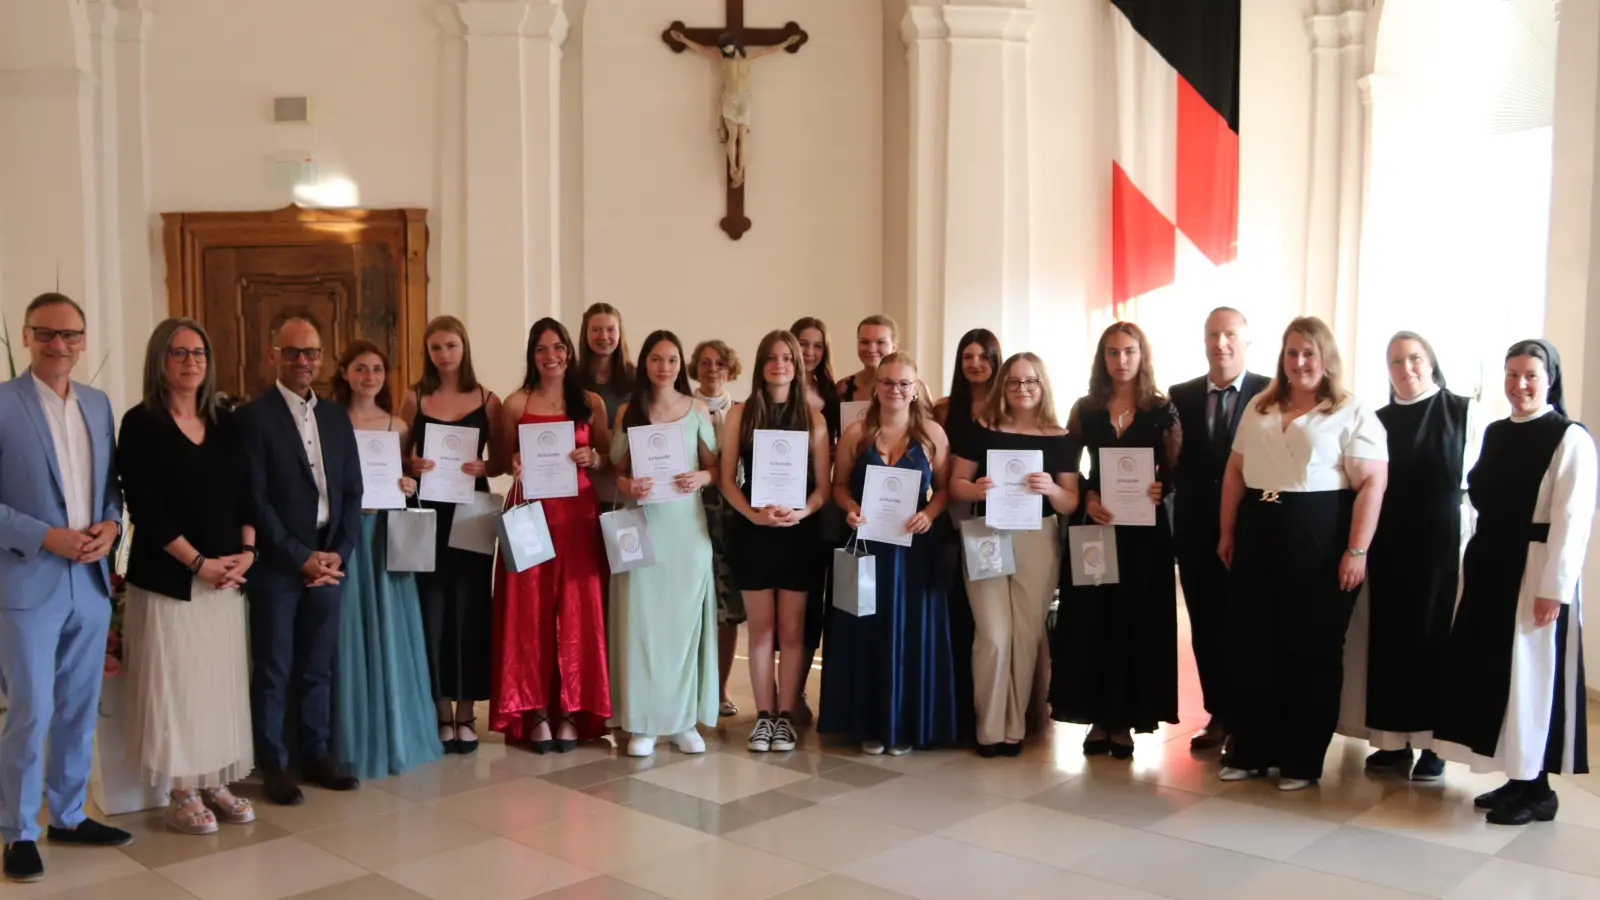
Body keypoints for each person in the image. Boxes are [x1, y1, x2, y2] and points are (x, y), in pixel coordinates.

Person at [1218, 316, 1387, 792]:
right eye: (1292, 352)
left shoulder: (1351, 410)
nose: (1300, 362)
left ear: (1325, 357)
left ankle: (1301, 757)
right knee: (1254, 643)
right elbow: (1235, 471)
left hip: (1320, 534)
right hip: (1259, 529)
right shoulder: (1261, 404)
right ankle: (1252, 748)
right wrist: (1227, 531)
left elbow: (1374, 482)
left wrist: (1357, 549)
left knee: (1310, 649)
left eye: (1309, 353)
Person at [1434, 339, 1595, 825]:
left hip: (1534, 570)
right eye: (1511, 375)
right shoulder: (1499, 432)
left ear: (1550, 379)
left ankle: (1539, 791)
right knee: (1496, 675)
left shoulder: (1570, 438)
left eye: (1530, 375)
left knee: (1531, 678)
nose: (1519, 385)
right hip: (1491, 566)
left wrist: (1556, 587)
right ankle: (1517, 778)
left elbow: (1573, 518)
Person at [0, 293, 131, 883]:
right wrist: (42, 536)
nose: (60, 345)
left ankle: (70, 815)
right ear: (27, 336)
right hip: (28, 578)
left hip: (91, 577)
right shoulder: (2, 405)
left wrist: (112, 523)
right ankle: (19, 830)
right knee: (31, 708)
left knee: (79, 707)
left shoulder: (100, 405)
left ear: (83, 340)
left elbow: (111, 487)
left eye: (71, 336)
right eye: (47, 334)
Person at [117, 318, 256, 834]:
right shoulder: (141, 423)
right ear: (160, 360)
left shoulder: (226, 420)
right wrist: (197, 562)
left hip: (226, 577)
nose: (190, 361)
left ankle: (214, 778)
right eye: (178, 353)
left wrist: (246, 552)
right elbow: (146, 509)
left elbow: (248, 494)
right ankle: (180, 788)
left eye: (198, 352)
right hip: (172, 579)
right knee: (176, 685)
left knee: (216, 685)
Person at [1338, 332, 1485, 782]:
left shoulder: (1462, 411)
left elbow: (1476, 486)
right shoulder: (1376, 419)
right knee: (1389, 640)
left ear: (1431, 361)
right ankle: (1391, 742)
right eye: (1397, 362)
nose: (1407, 369)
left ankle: (1432, 747)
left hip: (1441, 543)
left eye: (1415, 359)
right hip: (1389, 542)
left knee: (1433, 641)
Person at [237, 315, 364, 806]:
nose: (304, 361)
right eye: (293, 352)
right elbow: (255, 500)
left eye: (311, 352)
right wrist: (299, 557)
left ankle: (316, 753)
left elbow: (352, 492)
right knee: (274, 666)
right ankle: (275, 764)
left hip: (329, 557)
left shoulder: (335, 415)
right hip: (277, 563)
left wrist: (339, 553)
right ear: (274, 355)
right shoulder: (252, 418)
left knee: (318, 663)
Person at [819, 352, 959, 755]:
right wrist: (850, 508)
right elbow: (840, 485)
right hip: (867, 545)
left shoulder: (933, 434)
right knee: (867, 632)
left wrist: (930, 514)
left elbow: (947, 488)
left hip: (915, 549)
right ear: (875, 386)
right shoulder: (856, 434)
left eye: (903, 383)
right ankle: (868, 724)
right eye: (887, 382)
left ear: (914, 389)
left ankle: (905, 723)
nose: (895, 390)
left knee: (911, 632)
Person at [1052, 323, 1181, 759]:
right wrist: (1087, 492)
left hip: (1145, 537)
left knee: (1136, 621)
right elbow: (1067, 466)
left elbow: (1177, 469)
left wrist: (1164, 488)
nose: (1121, 360)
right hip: (1096, 527)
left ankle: (1124, 722)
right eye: (1112, 352)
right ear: (1102, 358)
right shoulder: (1085, 409)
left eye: (1129, 352)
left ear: (1142, 356)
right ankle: (1096, 717)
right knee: (1094, 619)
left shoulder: (1163, 411)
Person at [949, 353, 1079, 757]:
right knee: (993, 635)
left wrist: (1051, 490)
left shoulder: (1060, 438)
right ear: (1003, 386)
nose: (1023, 389)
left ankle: (1013, 727)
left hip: (1037, 539)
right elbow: (955, 484)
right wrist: (976, 490)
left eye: (1031, 382)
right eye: (1014, 382)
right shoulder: (981, 431)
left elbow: (1071, 502)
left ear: (1042, 387)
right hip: (987, 534)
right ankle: (988, 728)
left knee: (1025, 636)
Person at [492, 320, 612, 753]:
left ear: (569, 352)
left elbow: (605, 458)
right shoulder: (513, 403)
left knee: (579, 614)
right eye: (542, 349)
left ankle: (575, 709)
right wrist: (515, 464)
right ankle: (537, 710)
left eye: (558, 347)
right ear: (532, 354)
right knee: (530, 614)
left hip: (579, 517)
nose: (551, 356)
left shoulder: (590, 402)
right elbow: (502, 460)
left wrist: (593, 455)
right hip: (530, 516)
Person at [330, 340, 442, 779]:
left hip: (384, 533)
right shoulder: (329, 420)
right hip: (346, 532)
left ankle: (398, 731)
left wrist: (405, 484)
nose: (370, 376)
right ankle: (349, 737)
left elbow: (404, 474)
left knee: (392, 626)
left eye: (377, 369)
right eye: (361, 368)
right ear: (344, 372)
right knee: (348, 629)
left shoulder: (397, 425)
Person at [608, 331, 721, 757]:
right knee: (642, 624)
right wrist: (628, 483)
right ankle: (644, 722)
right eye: (656, 359)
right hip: (643, 527)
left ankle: (682, 721)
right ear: (645, 364)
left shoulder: (696, 410)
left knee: (683, 625)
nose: (664, 367)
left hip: (686, 530)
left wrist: (702, 478)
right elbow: (615, 469)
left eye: (672, 359)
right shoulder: (629, 411)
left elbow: (719, 468)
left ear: (681, 365)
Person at [718, 331, 831, 752]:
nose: (779, 364)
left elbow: (823, 487)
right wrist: (753, 514)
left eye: (787, 358)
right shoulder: (741, 414)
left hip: (799, 534)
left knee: (792, 632)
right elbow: (728, 479)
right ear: (760, 363)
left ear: (797, 366)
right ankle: (764, 717)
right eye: (771, 357)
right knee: (761, 632)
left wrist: (800, 512)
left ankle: (786, 716)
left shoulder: (813, 418)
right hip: (755, 531)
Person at [397, 316, 502, 755]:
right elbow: (396, 456)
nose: (444, 354)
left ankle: (467, 712)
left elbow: (501, 460)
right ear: (428, 352)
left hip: (472, 511)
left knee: (472, 608)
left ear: (464, 348)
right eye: (436, 347)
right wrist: (411, 466)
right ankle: (440, 710)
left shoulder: (488, 399)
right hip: (427, 512)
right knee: (432, 607)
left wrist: (486, 467)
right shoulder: (413, 397)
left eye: (451, 346)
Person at [1167, 307, 1269, 752]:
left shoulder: (1270, 392)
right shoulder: (1181, 394)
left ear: (1247, 341)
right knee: (1206, 625)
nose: (1220, 343)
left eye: (1229, 334)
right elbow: (1172, 462)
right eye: (1213, 334)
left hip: (1254, 529)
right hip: (1195, 530)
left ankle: (1251, 716)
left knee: (1248, 625)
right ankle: (1219, 715)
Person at [690, 338, 746, 718]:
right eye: (706, 363)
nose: (713, 370)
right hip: (691, 516)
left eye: (720, 364)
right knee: (691, 605)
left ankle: (722, 687)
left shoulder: (744, 413)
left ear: (731, 369)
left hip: (734, 519)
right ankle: (690, 686)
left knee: (728, 607)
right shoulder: (680, 410)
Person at [667, 30, 803, 188]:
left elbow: (768, 50)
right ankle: (733, 168)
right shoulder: (723, 58)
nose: (727, 50)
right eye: (724, 48)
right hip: (729, 99)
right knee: (733, 134)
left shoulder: (748, 56)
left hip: (744, 99)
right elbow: (702, 50)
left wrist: (787, 42)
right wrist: (684, 39)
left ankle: (741, 170)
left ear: (735, 45)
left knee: (743, 136)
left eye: (729, 47)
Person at [789, 316, 841, 724]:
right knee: (801, 605)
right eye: (802, 343)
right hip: (786, 505)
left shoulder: (837, 394)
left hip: (831, 506)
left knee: (829, 605)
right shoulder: (773, 392)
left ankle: (834, 692)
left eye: (817, 345)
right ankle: (796, 691)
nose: (809, 352)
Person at [578, 302, 636, 428]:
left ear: (619, 333)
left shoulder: (636, 377)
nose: (603, 336)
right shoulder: (572, 378)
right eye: (596, 330)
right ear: (585, 333)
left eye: (610, 329)